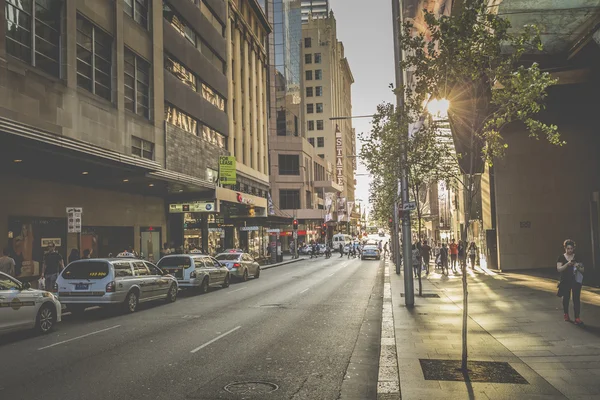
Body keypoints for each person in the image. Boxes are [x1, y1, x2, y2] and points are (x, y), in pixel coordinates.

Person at [557, 239, 584, 325]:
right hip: (565, 280)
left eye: (571, 248)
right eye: (568, 248)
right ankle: (566, 314)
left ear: (573, 248)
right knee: (566, 298)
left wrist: (577, 265)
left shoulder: (577, 257)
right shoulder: (561, 257)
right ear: (565, 248)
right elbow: (559, 269)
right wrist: (567, 264)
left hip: (575, 280)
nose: (570, 250)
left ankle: (577, 317)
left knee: (576, 299)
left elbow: (583, 269)